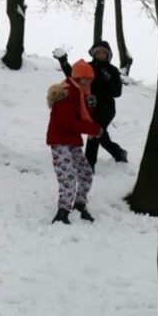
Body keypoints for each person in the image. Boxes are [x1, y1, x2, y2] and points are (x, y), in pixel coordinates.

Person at [53, 41, 127, 170]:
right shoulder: (88, 66)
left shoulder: (113, 70)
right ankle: (119, 152)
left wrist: (109, 79)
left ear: (108, 55)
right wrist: (64, 62)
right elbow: (73, 77)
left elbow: (117, 93)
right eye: (98, 52)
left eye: (104, 53)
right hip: (90, 106)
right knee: (101, 135)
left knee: (94, 133)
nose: (101, 55)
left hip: (106, 108)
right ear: (94, 53)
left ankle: (88, 166)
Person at [47, 59, 102, 224]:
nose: (87, 82)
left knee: (85, 173)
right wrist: (94, 130)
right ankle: (63, 212)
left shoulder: (80, 93)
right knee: (68, 176)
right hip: (60, 141)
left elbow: (82, 116)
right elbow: (69, 122)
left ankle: (79, 204)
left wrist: (90, 105)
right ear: (77, 78)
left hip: (72, 141)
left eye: (89, 79)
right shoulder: (66, 92)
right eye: (83, 78)